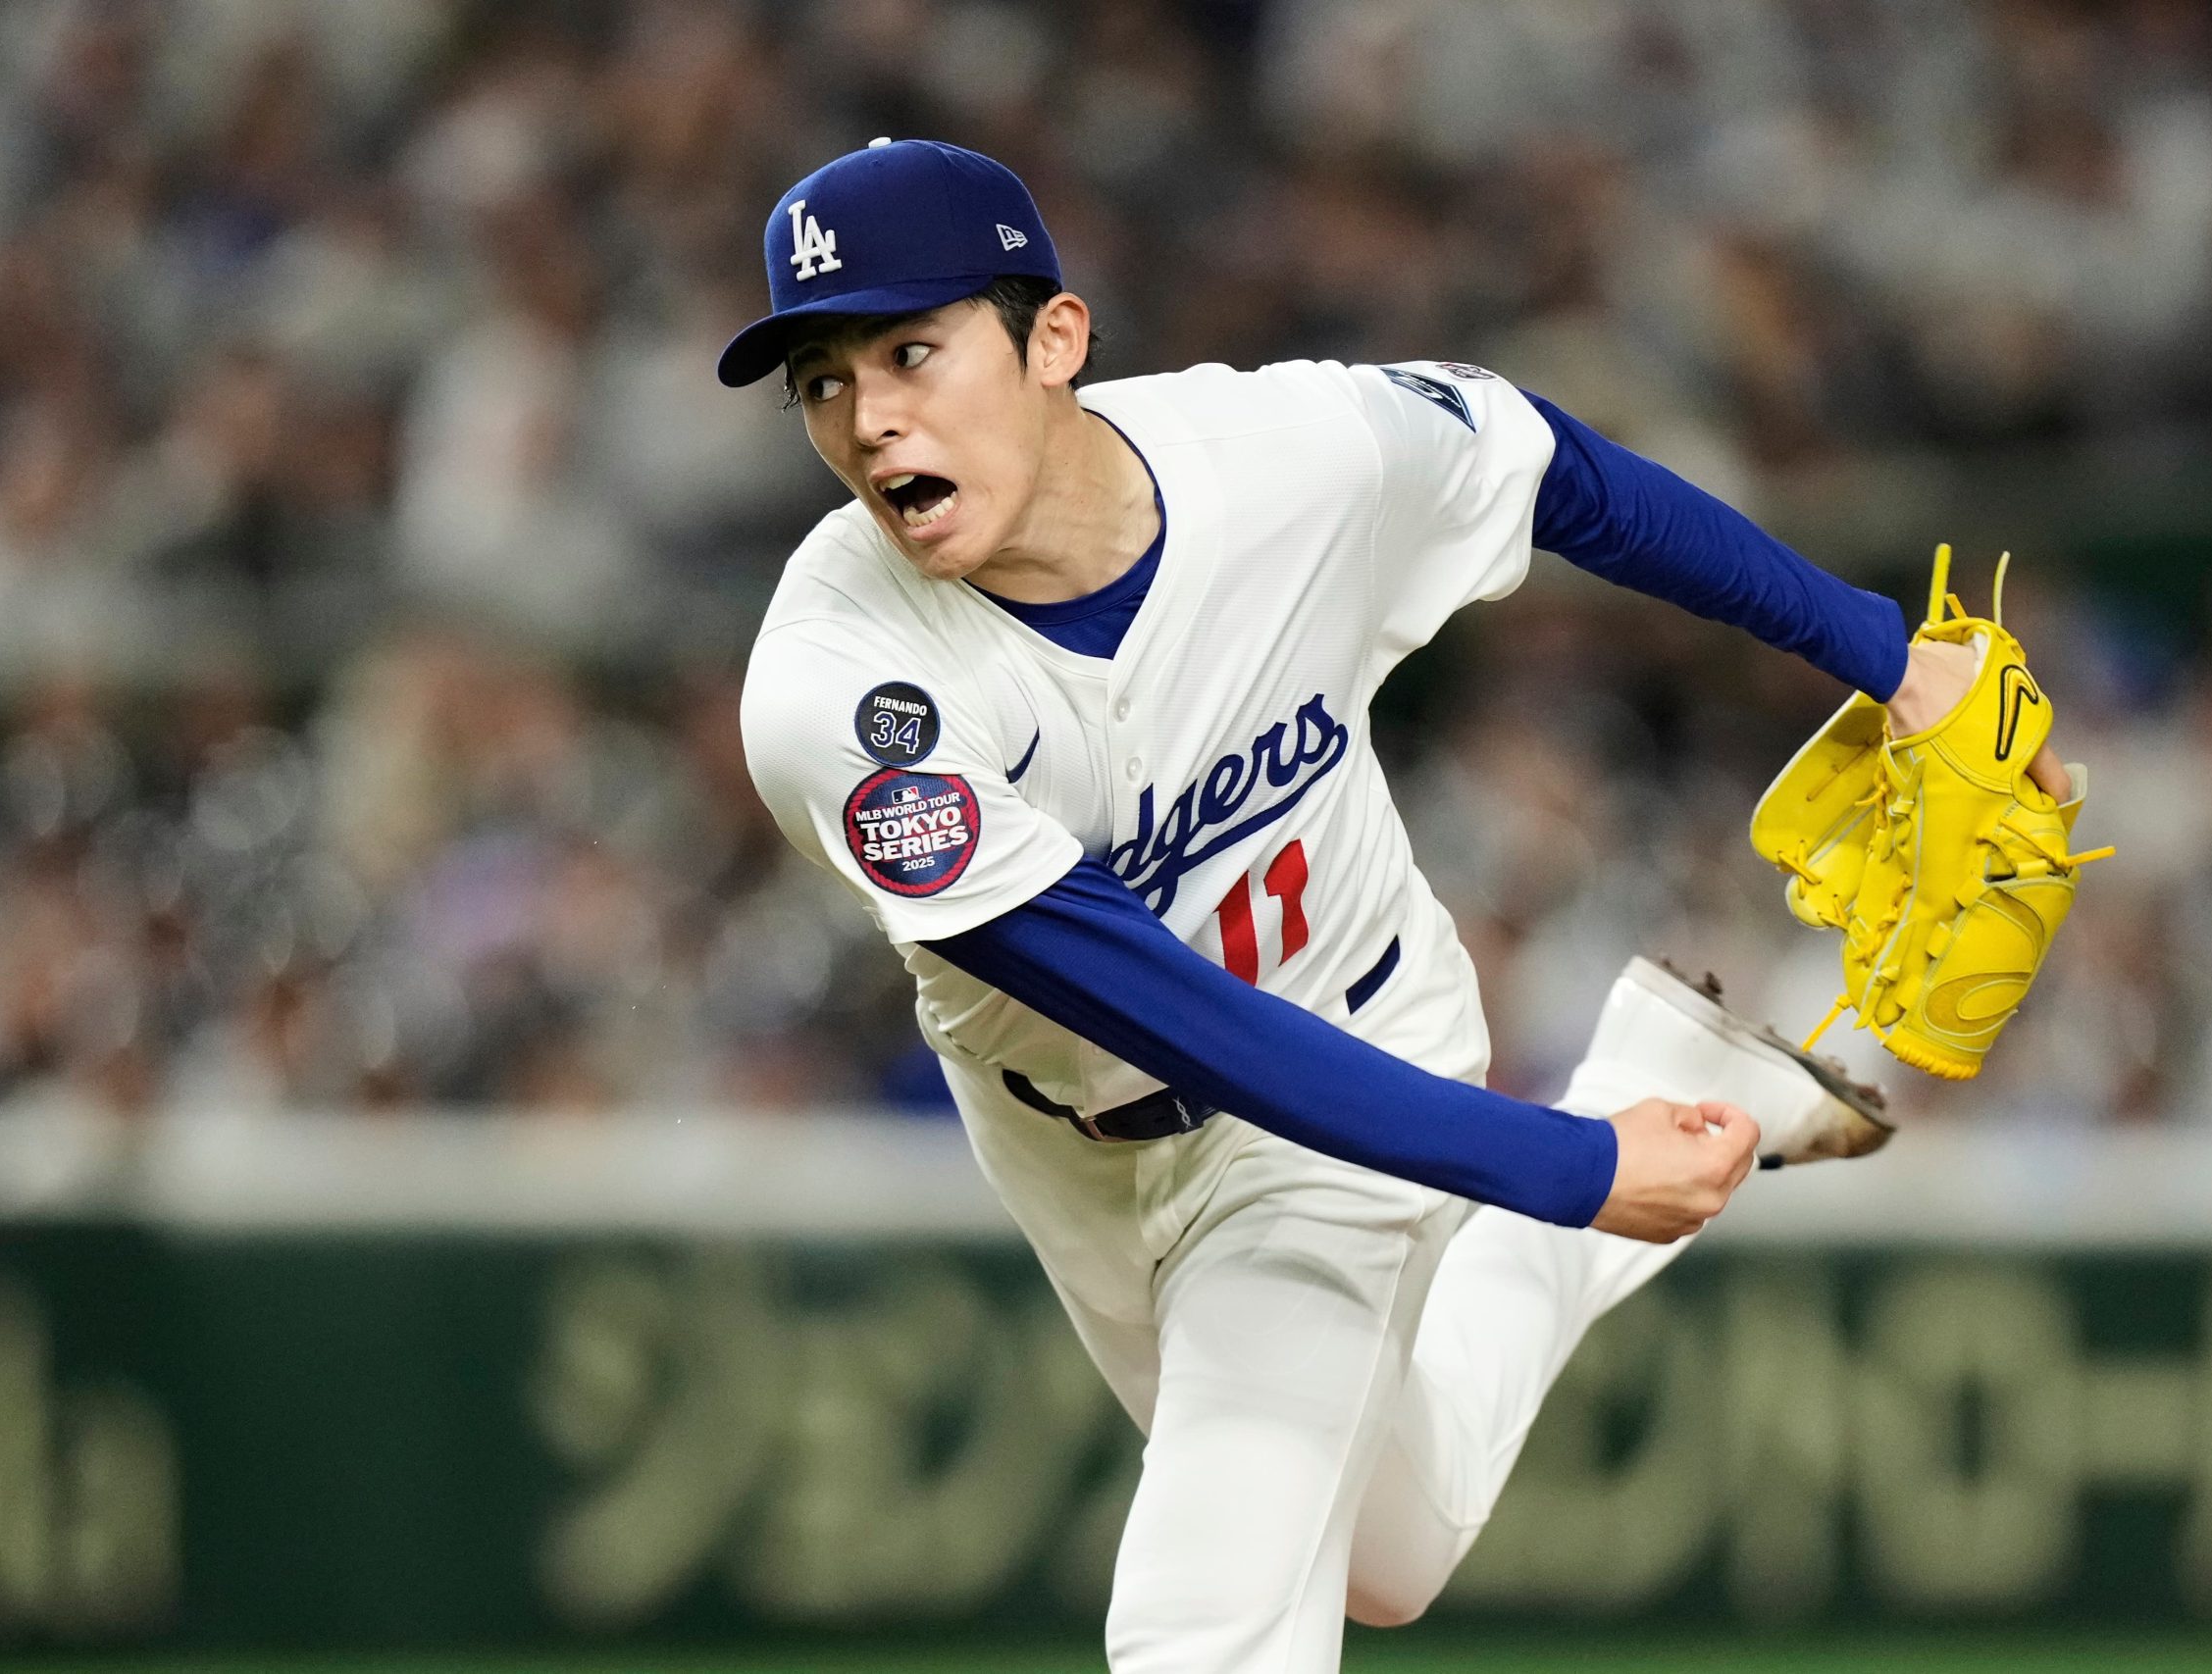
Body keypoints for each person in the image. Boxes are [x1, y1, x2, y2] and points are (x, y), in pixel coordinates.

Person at [726, 139, 2054, 1673]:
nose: (871, 415)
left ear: (1055, 341)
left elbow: (1558, 470)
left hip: (1349, 1039)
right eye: (819, 379)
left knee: (1203, 1619)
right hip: (1073, 1138)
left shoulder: (1292, 455)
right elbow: (1169, 1012)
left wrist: (1891, 657)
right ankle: (1661, 1081)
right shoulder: (839, 694)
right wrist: (1569, 1164)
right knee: (1389, 1557)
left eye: (911, 348)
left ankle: (1601, 1126)